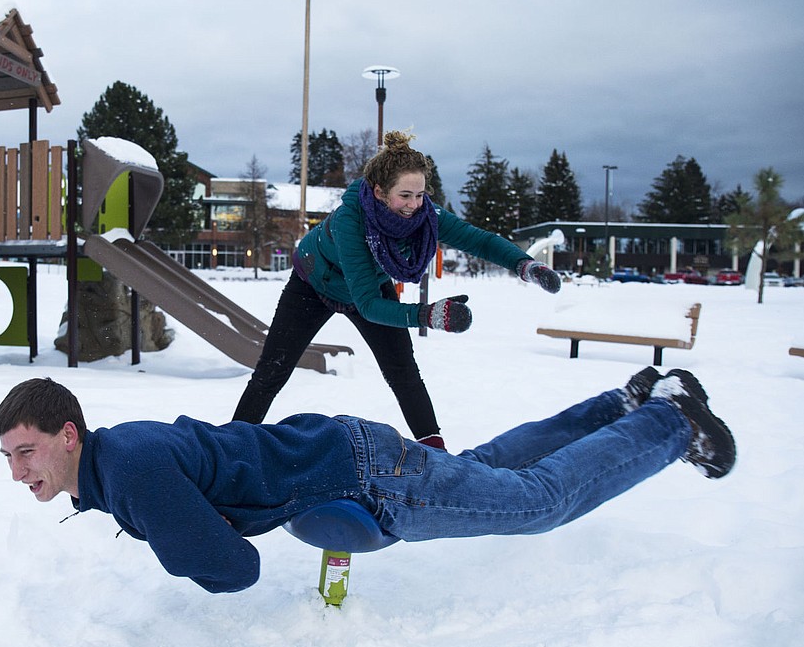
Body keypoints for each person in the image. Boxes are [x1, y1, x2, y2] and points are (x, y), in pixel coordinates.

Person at [0, 366, 735, 594]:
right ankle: (624, 403)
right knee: (485, 469)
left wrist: (186, 535)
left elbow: (235, 569)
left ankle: (669, 422)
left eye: (26, 450)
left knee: (539, 501)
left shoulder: (131, 472)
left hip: (363, 477)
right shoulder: (117, 459)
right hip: (341, 451)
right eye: (8, 459)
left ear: (68, 435)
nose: (20, 471)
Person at [232, 131, 563, 447]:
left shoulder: (426, 216)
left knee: (403, 372)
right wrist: (428, 315)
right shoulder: (352, 221)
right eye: (405, 195)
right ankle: (228, 448)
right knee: (272, 371)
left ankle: (436, 454)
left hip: (367, 288)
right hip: (313, 284)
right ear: (379, 192)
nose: (414, 204)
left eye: (420, 195)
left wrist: (525, 265)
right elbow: (369, 306)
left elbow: (479, 240)